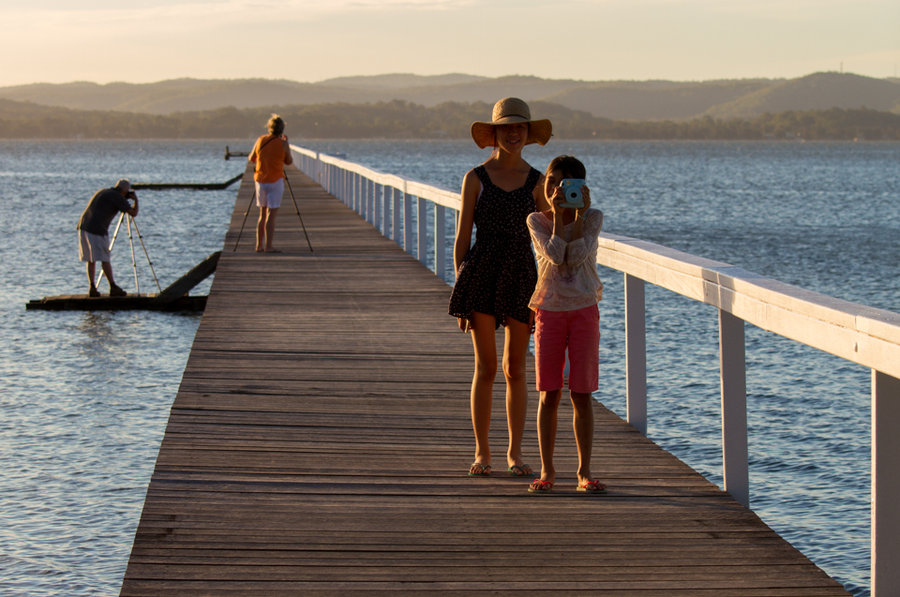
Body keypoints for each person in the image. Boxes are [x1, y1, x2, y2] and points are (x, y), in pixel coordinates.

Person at [449, 97, 552, 478]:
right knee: (486, 366)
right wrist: (460, 290)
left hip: (523, 274)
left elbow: (548, 239)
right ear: (493, 133)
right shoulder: (475, 177)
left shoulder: (539, 181)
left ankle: (514, 453)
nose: (513, 133)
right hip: (481, 271)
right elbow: (462, 238)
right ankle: (482, 451)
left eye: (520, 128)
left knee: (515, 368)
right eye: (506, 127)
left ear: (527, 134)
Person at [524, 155, 606, 494]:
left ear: (581, 189)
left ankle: (584, 473)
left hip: (584, 309)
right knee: (549, 393)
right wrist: (559, 216)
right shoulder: (536, 221)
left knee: (582, 393)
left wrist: (579, 216)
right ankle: (547, 471)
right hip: (549, 310)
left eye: (565, 184)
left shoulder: (594, 219)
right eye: (551, 182)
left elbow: (577, 255)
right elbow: (556, 255)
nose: (556, 189)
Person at [77, 179, 139, 297]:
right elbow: (133, 213)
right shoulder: (117, 197)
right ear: (125, 191)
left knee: (91, 259)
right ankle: (113, 286)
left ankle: (92, 288)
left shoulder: (104, 192)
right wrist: (136, 200)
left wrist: (125, 199)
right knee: (105, 258)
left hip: (83, 226)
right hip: (97, 229)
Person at [249, 114, 293, 253]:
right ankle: (268, 246)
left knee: (262, 214)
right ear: (282, 129)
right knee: (271, 215)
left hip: (261, 180)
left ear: (269, 127)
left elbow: (251, 158)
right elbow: (289, 161)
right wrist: (286, 145)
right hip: (276, 181)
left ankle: (258, 245)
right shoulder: (283, 144)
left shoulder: (261, 140)